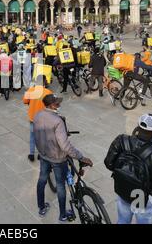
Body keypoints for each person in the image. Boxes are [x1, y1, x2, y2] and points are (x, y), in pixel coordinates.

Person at [34, 94, 93, 223]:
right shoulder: (57, 121)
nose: (59, 105)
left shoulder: (37, 115)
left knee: (42, 179)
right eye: (57, 103)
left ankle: (41, 207)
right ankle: (62, 215)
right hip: (57, 159)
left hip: (44, 155)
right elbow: (65, 146)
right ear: (51, 105)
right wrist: (80, 157)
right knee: (61, 186)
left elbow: (36, 136)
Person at [23, 75, 53, 162]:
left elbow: (25, 101)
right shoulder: (48, 92)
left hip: (33, 119)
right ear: (44, 82)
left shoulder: (31, 90)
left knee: (32, 137)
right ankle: (41, 154)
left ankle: (31, 154)